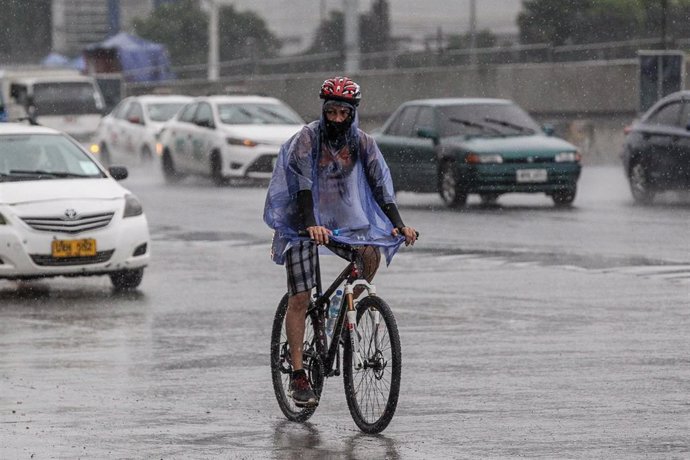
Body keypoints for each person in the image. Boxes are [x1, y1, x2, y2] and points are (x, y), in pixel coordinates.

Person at [264, 76, 417, 408]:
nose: (335, 119)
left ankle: (341, 309)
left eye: (342, 113)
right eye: (330, 112)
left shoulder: (362, 143)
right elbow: (302, 186)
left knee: (370, 254)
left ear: (352, 113)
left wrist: (399, 225)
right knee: (301, 297)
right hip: (300, 222)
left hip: (339, 222)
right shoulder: (307, 139)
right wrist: (310, 225)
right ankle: (299, 375)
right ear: (324, 109)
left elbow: (380, 186)